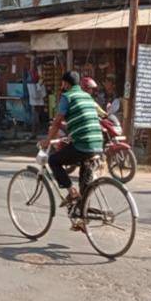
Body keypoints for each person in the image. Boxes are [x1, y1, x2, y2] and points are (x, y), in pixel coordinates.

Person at [40, 72, 104, 210]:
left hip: (83, 144)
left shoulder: (67, 97)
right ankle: (82, 211)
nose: (62, 86)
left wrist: (47, 140)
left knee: (54, 160)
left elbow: (57, 122)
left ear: (66, 84)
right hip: (98, 143)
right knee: (84, 173)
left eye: (63, 83)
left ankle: (72, 193)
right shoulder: (87, 96)